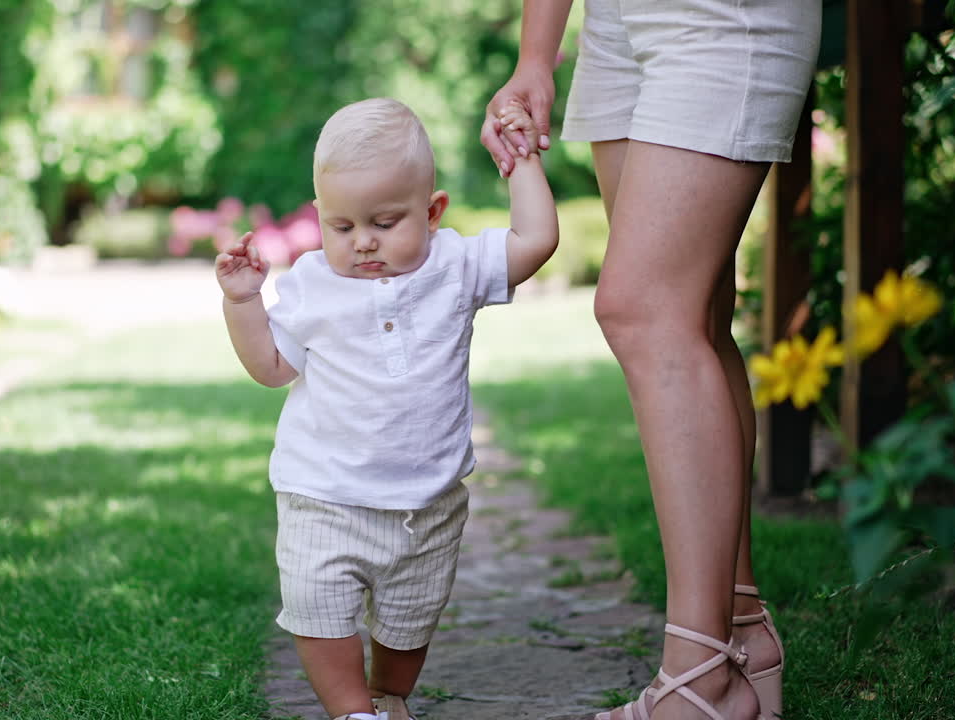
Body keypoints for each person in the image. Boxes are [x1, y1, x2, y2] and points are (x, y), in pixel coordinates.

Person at [480, 2, 819, 720]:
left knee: (643, 309)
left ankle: (698, 678)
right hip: (617, 24)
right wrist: (536, 57)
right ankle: (740, 637)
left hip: (723, 16)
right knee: (692, 315)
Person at [216, 97, 557, 720]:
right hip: (324, 496)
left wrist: (522, 163)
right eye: (342, 227)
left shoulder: (456, 266)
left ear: (432, 212)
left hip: (426, 506)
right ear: (320, 218)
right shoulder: (313, 284)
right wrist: (244, 303)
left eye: (385, 222)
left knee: (406, 631)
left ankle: (388, 694)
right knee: (318, 609)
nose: (363, 242)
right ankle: (353, 711)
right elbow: (270, 368)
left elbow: (536, 240)